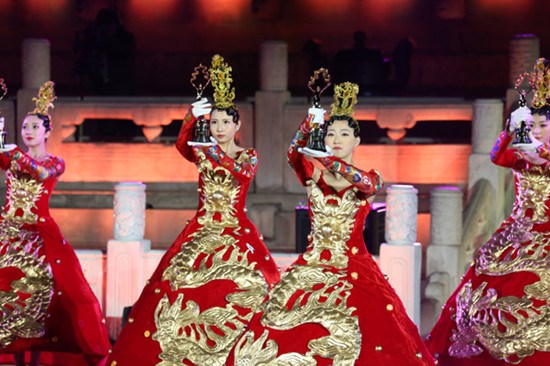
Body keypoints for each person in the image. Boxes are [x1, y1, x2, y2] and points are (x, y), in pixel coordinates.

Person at [226, 82, 434, 365]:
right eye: (331, 133)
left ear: (356, 141)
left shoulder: (367, 179)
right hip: (311, 266)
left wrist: (328, 160)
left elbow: (366, 182)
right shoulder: (314, 177)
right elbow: (294, 154)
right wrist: (310, 121)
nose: (336, 139)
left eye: (344, 134)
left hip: (354, 267)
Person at [106, 55, 280, 366]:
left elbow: (234, 171)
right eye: (213, 122)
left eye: (226, 122)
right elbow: (183, 145)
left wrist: (207, 145)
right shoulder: (202, 151)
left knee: (249, 289)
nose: (220, 127)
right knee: (177, 286)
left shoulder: (247, 156)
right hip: (199, 229)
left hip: (234, 230)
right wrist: (191, 117)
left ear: (238, 124)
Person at [425, 58, 550, 365]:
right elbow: (498, 156)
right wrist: (512, 129)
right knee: (483, 286)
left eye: (543, 126)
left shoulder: (538, 154)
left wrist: (540, 152)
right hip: (519, 232)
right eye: (532, 126)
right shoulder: (523, 154)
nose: (537, 131)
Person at [0, 81, 110, 365]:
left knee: (44, 294)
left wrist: (12, 152)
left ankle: (36, 360)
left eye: (35, 127)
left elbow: (36, 171)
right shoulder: (13, 158)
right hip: (9, 233)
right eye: (25, 127)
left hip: (39, 235)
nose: (28, 131)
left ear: (48, 131)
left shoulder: (54, 163)